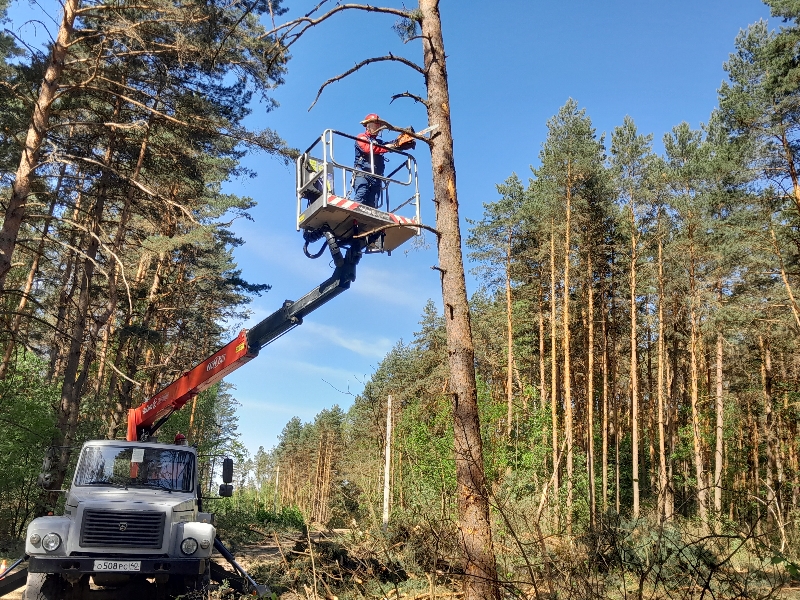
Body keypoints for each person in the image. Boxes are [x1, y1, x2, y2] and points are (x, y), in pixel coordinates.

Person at [353, 113, 399, 208]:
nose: (377, 128)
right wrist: (387, 148)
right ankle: (354, 219)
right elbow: (368, 148)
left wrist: (400, 143)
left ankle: (366, 222)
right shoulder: (361, 137)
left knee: (373, 204)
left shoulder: (379, 142)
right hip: (363, 173)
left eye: (378, 126)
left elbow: (390, 144)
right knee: (361, 195)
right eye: (374, 125)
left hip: (376, 177)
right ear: (367, 126)